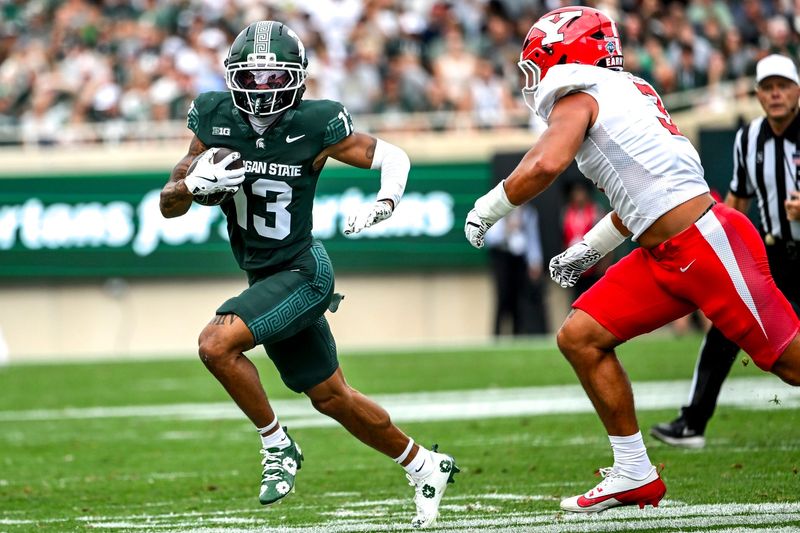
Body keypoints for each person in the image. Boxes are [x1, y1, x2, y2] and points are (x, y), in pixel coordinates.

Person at [464, 6, 800, 513]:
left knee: (792, 365)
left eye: (541, 59)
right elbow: (642, 197)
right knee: (580, 337)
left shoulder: (581, 95)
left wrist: (487, 209)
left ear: (568, 55)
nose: (535, 74)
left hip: (706, 244)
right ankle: (634, 471)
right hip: (664, 253)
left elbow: (545, 163)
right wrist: (588, 250)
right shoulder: (626, 92)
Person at [159, 21, 458, 529]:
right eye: (250, 77)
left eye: (273, 77)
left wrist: (386, 201)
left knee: (215, 344)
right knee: (333, 397)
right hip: (265, 280)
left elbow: (392, 156)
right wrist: (191, 184)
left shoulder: (316, 123)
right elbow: (168, 204)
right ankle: (425, 465)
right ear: (232, 78)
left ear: (296, 79)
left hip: (303, 271)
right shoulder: (213, 116)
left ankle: (277, 445)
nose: (261, 89)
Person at [651, 54, 800, 449]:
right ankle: (692, 422)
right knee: (725, 328)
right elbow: (737, 201)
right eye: (768, 87)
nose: (776, 94)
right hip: (775, 254)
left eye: (783, 86)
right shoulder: (749, 138)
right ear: (757, 94)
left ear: (797, 90)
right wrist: (718, 250)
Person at [484, 202, 547, 335]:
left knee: (519, 298)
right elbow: (490, 239)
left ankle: (517, 333)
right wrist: (507, 228)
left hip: (519, 260)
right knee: (502, 296)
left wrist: (535, 261)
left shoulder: (528, 213)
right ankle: (497, 334)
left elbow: (532, 238)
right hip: (502, 257)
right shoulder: (498, 210)